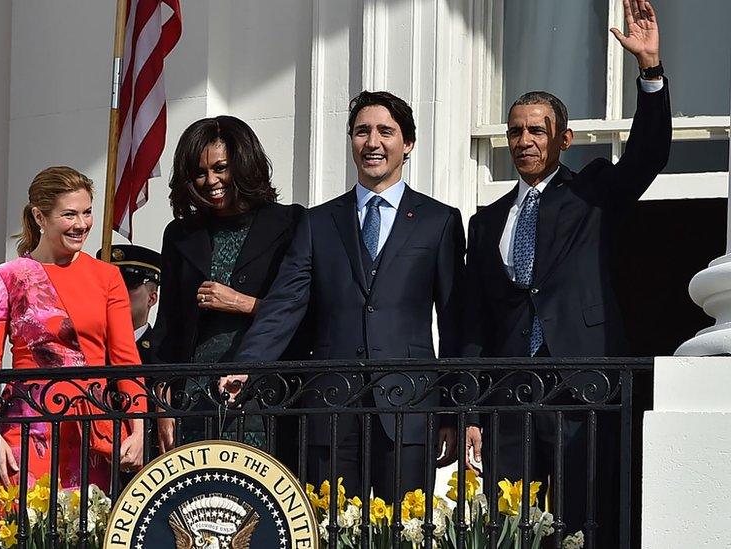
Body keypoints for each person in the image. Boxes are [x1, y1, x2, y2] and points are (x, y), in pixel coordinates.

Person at [461, 1, 671, 543]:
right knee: (511, 529)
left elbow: (648, 155)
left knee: (586, 521)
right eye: (515, 131)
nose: (524, 141)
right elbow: (477, 324)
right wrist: (472, 412)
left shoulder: (592, 191)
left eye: (536, 130)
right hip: (511, 395)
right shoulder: (485, 223)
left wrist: (650, 72)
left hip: (583, 385)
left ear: (564, 139)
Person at [231, 90, 466, 499]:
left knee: (402, 532)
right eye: (362, 131)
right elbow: (286, 304)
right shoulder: (318, 222)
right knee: (330, 526)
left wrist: (453, 411)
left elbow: (455, 322)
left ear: (407, 143)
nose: (372, 142)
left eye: (385, 132)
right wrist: (246, 366)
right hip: (330, 407)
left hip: (408, 406)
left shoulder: (439, 221)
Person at [0, 166, 147, 490]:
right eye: (69, 215)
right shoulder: (8, 276)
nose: (81, 224)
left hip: (91, 431)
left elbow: (126, 360)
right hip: (28, 429)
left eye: (87, 212)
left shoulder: (107, 277)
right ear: (40, 216)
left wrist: (137, 430)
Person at [153, 115, 308, 454]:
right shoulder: (180, 234)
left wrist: (242, 302)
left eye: (220, 168)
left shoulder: (292, 223)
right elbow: (167, 328)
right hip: (195, 400)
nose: (211, 180)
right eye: (200, 172)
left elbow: (305, 315)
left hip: (264, 397)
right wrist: (163, 407)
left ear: (244, 163)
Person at [97, 244, 162, 365]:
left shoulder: (163, 354)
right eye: (109, 286)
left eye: (129, 286)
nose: (116, 293)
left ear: (152, 299)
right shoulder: (87, 347)